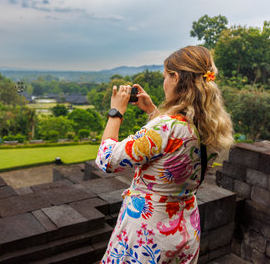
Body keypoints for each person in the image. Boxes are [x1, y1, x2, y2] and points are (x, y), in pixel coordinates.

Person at [96, 46, 233, 263]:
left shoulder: (167, 126)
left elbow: (107, 160)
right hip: (185, 228)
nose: (164, 82)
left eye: (165, 76)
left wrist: (116, 112)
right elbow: (175, 142)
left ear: (175, 77)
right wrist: (152, 110)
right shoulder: (211, 123)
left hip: (149, 233)